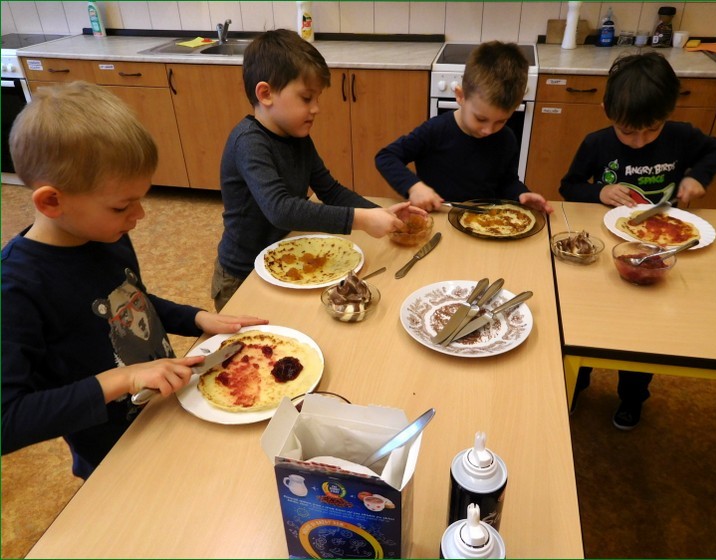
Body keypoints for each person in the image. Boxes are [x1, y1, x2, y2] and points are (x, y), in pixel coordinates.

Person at [1, 81, 268, 479]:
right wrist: (121, 379)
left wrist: (196, 318)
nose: (139, 215)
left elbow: (131, 300)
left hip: (165, 411)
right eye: (122, 205)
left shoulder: (105, 235)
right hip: (115, 454)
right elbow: (8, 421)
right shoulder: (15, 289)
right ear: (52, 201)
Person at [560, 52, 716, 430]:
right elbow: (569, 186)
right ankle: (576, 386)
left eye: (652, 130)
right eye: (627, 132)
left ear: (668, 113)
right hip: (605, 251)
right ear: (607, 112)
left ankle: (633, 397)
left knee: (644, 335)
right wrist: (599, 192)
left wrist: (697, 177)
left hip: (662, 250)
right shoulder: (596, 144)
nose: (639, 142)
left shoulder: (682, 136)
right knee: (589, 326)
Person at [213, 29, 424, 311]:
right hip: (241, 276)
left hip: (283, 258)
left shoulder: (297, 137)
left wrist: (380, 213)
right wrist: (360, 220)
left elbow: (330, 190)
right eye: (306, 98)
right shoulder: (249, 142)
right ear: (265, 94)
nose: (316, 109)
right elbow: (281, 209)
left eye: (317, 98)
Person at [374, 40, 552, 214]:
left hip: (484, 221)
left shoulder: (506, 139)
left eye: (501, 121)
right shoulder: (436, 130)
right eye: (480, 118)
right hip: (438, 216)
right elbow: (386, 157)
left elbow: (507, 181)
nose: (488, 130)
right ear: (460, 96)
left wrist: (520, 193)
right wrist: (414, 187)